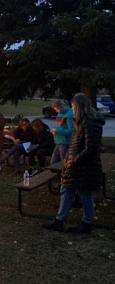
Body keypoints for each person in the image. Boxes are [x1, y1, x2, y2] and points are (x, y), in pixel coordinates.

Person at [43, 93, 104, 234]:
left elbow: (91, 147)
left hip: (84, 166)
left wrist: (74, 160)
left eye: (73, 106)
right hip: (73, 164)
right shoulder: (80, 121)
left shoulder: (91, 122)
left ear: (80, 106)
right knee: (66, 189)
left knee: (84, 193)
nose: (72, 109)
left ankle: (87, 223)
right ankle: (59, 221)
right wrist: (68, 159)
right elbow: (75, 144)